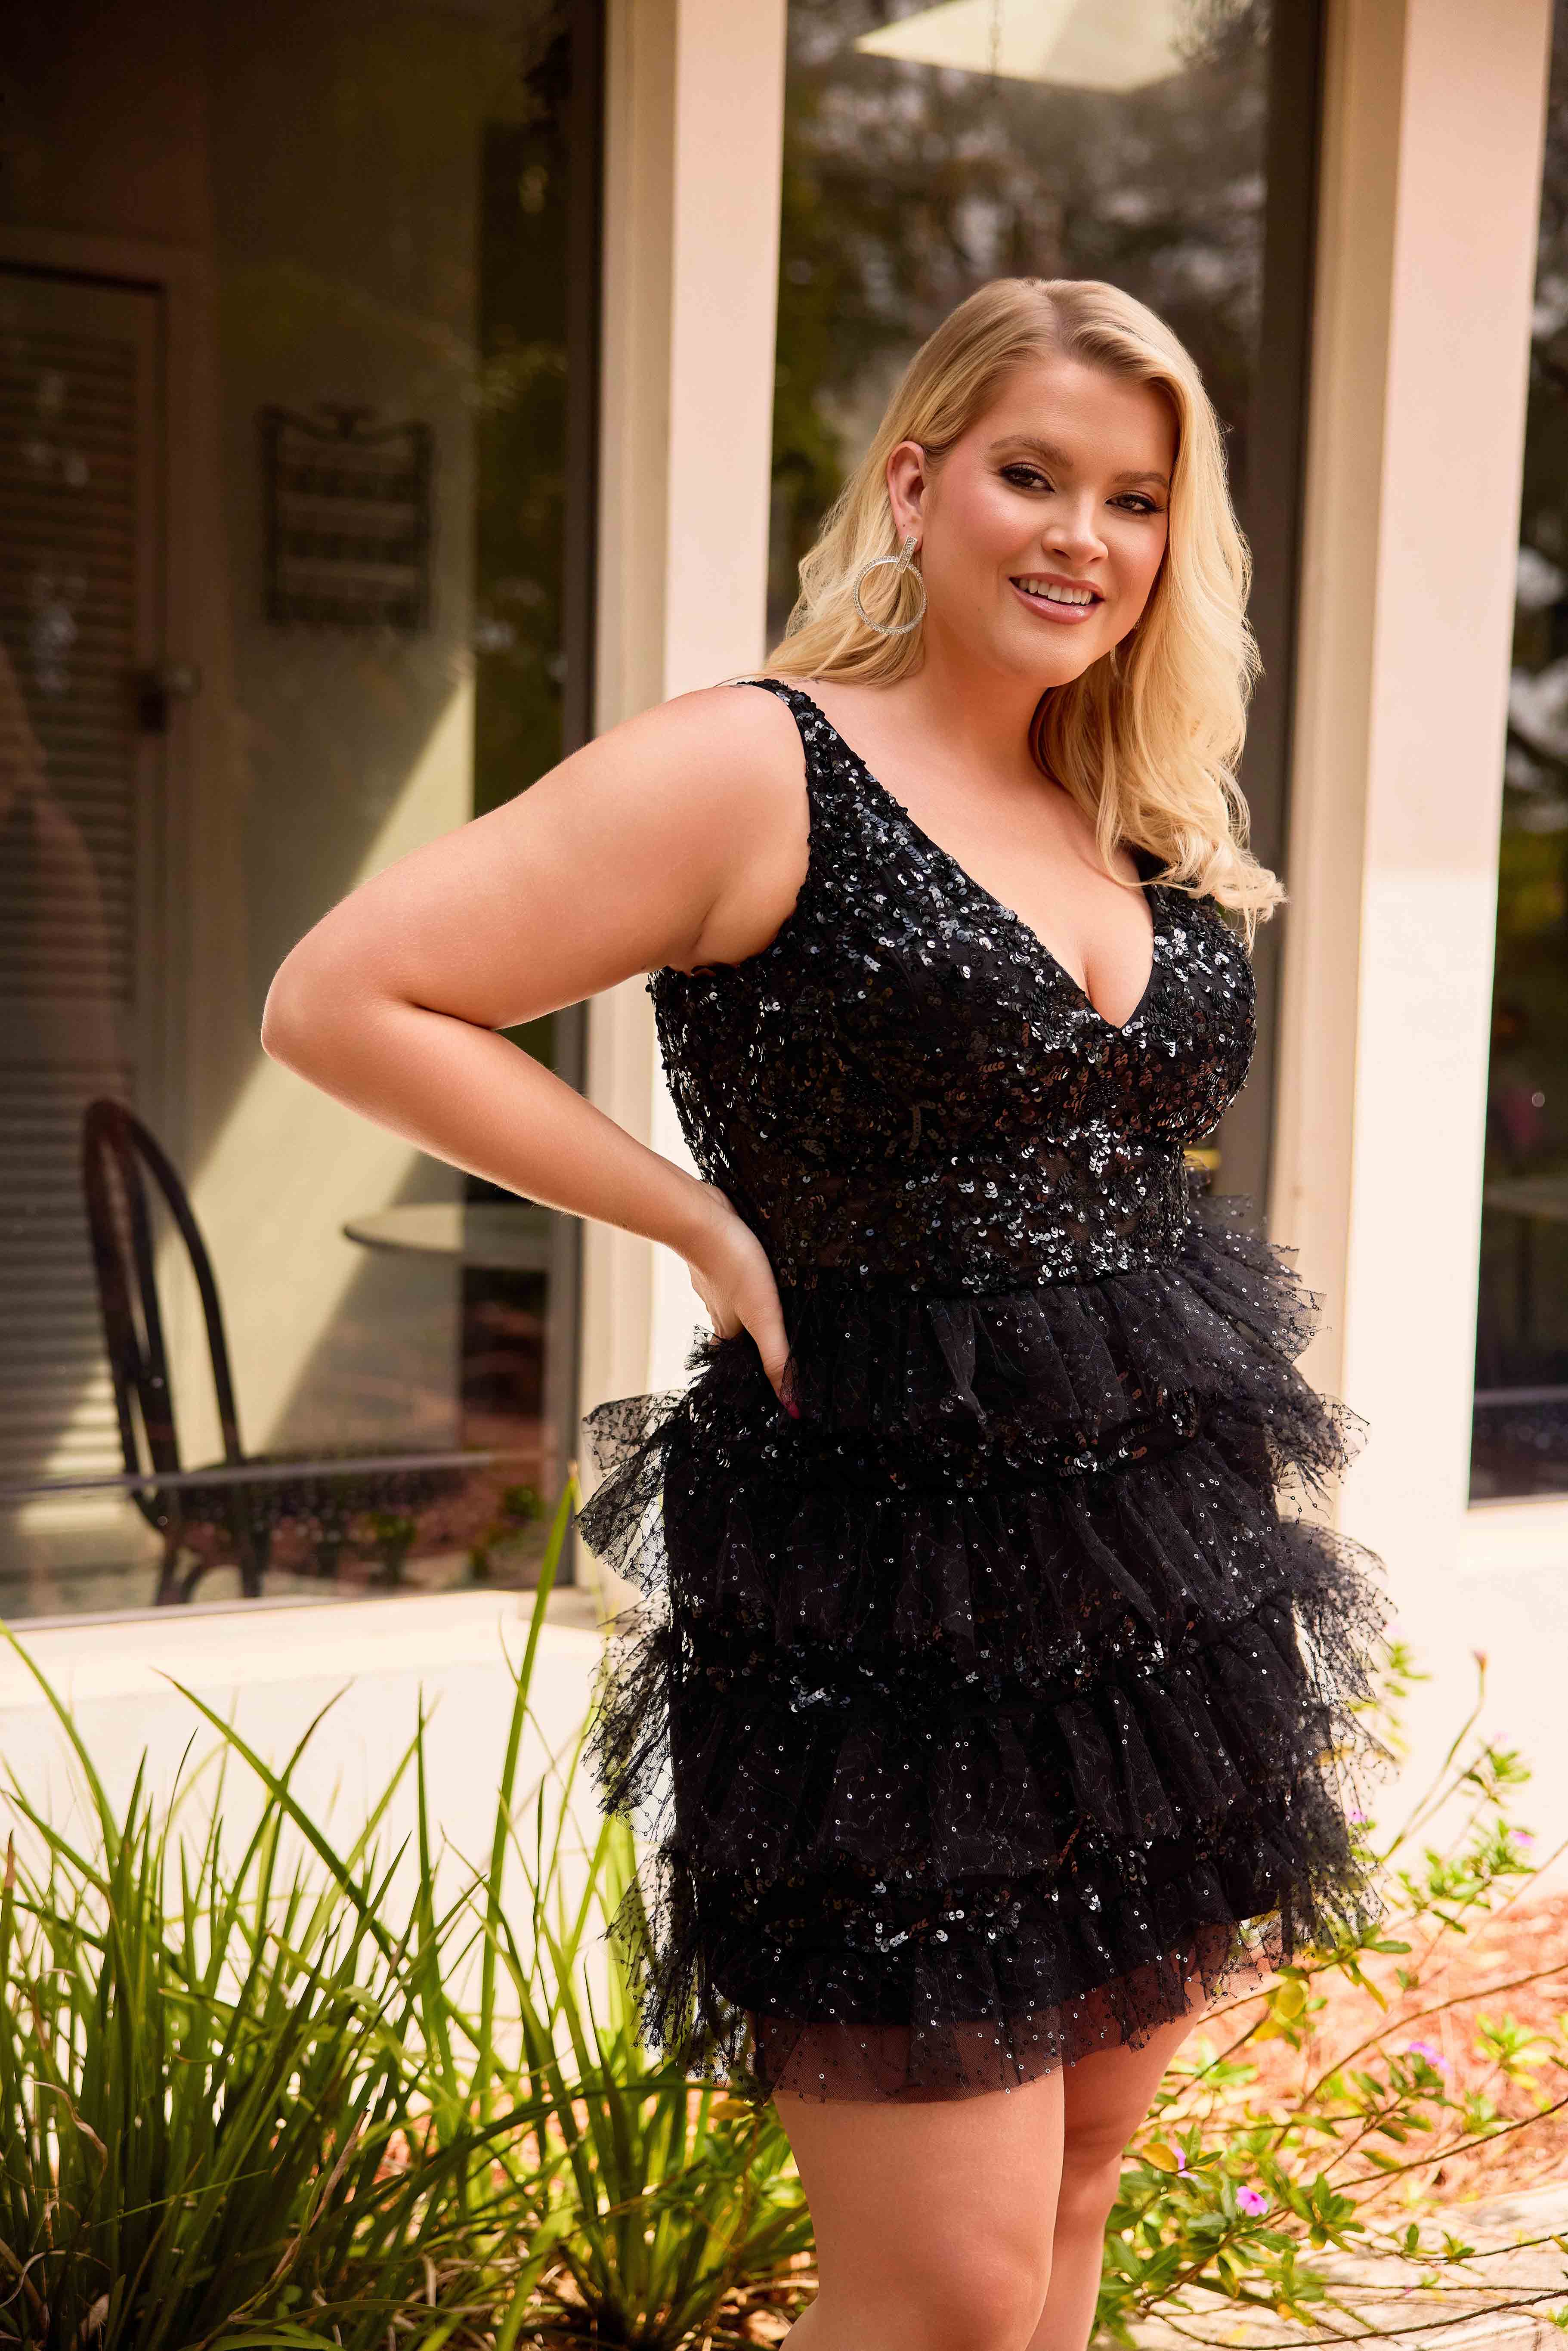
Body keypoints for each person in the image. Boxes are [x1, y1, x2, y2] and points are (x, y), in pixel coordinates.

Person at [262, 276, 1388, 2351]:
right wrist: (693, 1219)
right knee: (943, 2289)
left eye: (1134, 499)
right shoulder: (753, 763)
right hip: (881, 1601)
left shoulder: (1117, 805)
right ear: (914, 484)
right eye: (1030, 475)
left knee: (1071, 2197)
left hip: (1144, 1594)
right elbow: (344, 996)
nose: (1080, 536)